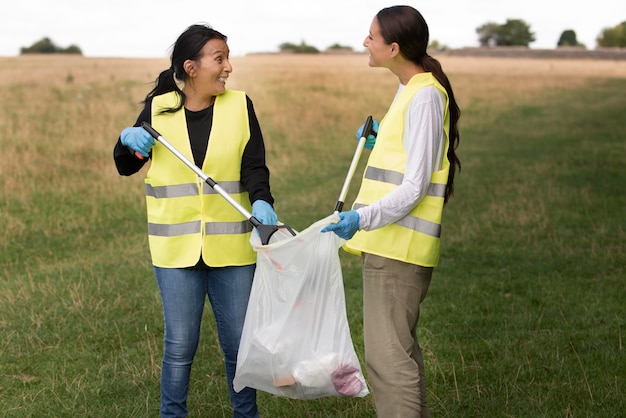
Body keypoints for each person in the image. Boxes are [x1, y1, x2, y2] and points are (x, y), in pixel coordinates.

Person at [113, 24, 276, 418]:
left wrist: (262, 200)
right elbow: (124, 166)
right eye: (219, 59)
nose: (228, 68)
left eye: (227, 58)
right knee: (180, 346)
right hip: (175, 251)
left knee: (238, 345)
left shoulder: (240, 105)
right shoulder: (158, 109)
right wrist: (126, 139)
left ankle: (246, 414)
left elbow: (254, 166)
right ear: (191, 67)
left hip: (232, 248)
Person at [322, 6, 461, 418]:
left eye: (371, 36)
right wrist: (379, 138)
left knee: (388, 362)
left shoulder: (423, 95)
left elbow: (415, 186)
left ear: (395, 47)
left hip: (398, 249)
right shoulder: (412, 89)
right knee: (399, 354)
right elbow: (410, 154)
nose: (365, 42)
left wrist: (359, 218)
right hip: (391, 246)